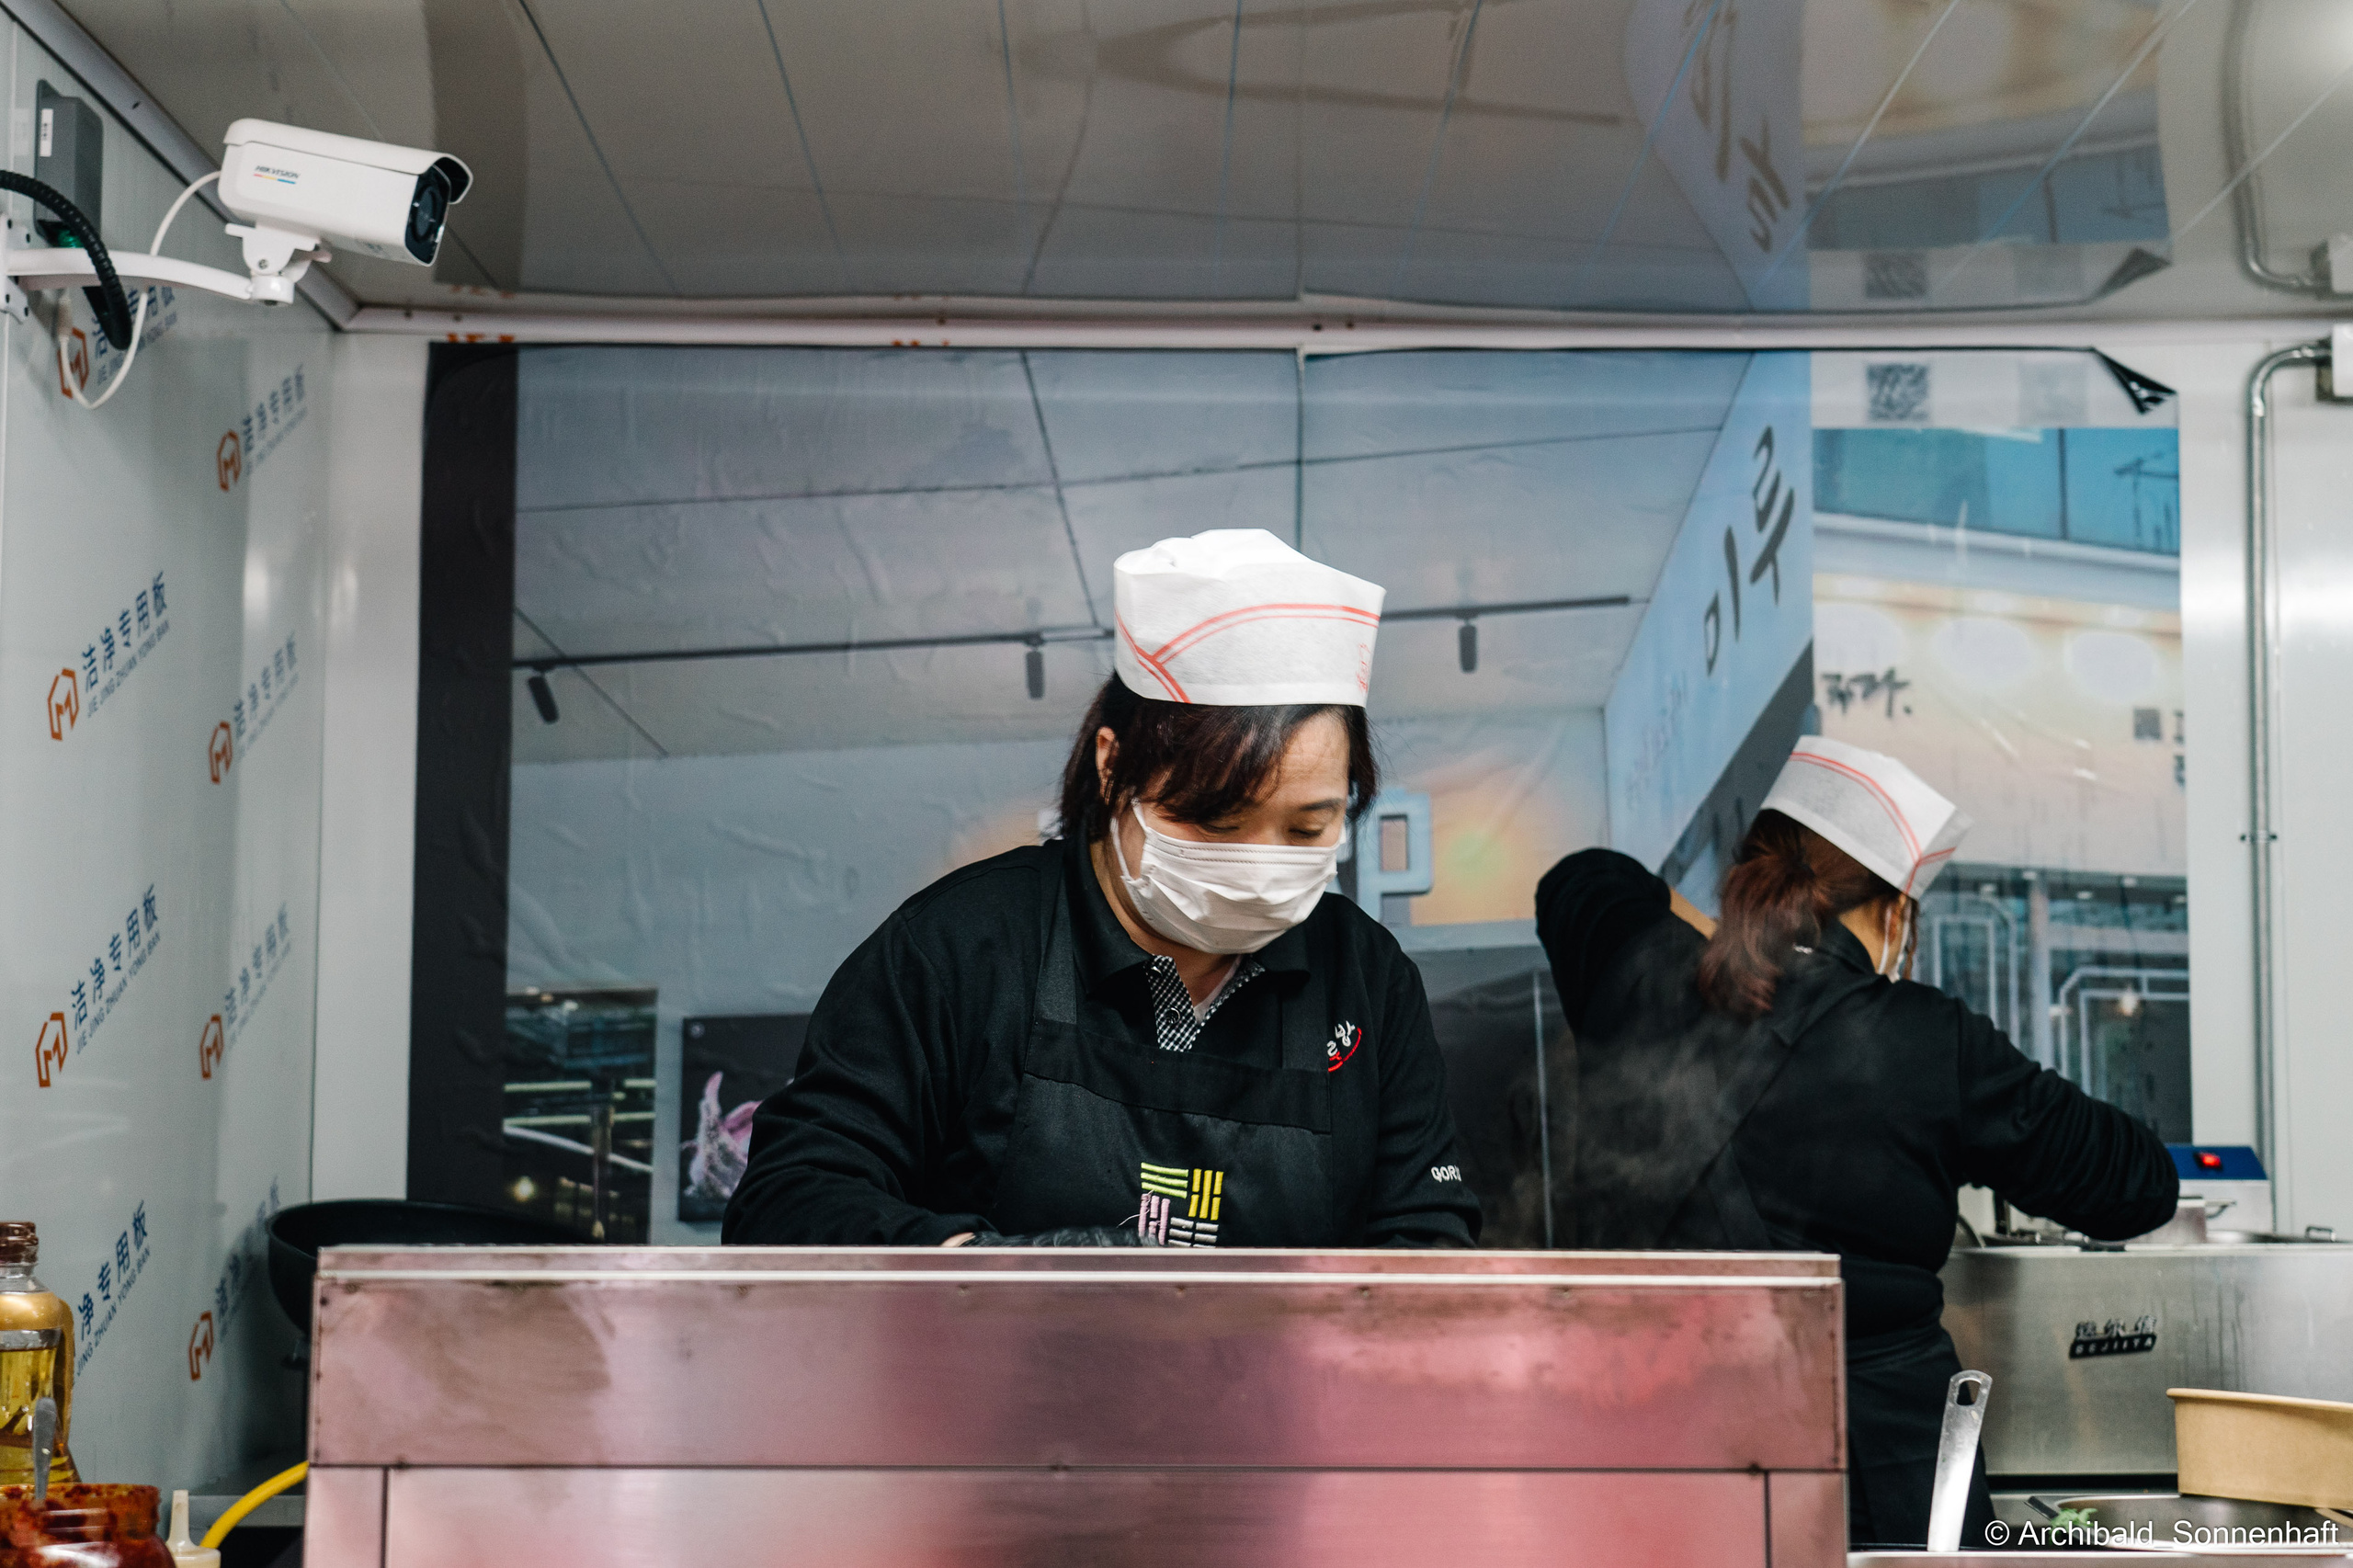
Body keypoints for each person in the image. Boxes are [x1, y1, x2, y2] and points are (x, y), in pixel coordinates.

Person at [724, 528, 1480, 1250]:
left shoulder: (1367, 978)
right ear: (1113, 766)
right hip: (994, 1383)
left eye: (1307, 829)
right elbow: (787, 1201)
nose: (1260, 867)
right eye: (1217, 824)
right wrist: (991, 1272)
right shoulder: (962, 946)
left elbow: (1427, 1239)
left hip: (1284, 1387)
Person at [1533, 734, 2177, 1548]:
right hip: (1880, 1480)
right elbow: (2138, 1185)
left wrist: (1708, 941)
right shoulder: (1928, 1041)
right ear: (1898, 913)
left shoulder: (1637, 975)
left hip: (1665, 1451)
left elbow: (1580, 880)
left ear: (1751, 884)